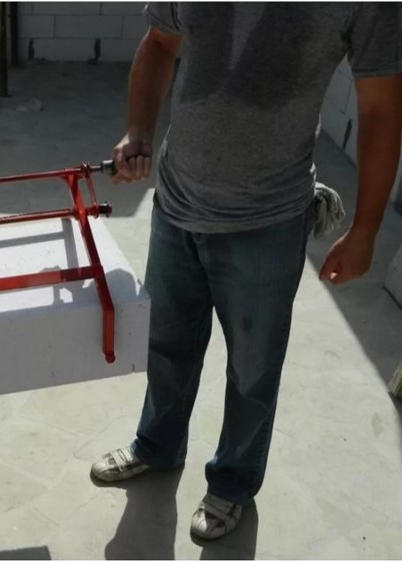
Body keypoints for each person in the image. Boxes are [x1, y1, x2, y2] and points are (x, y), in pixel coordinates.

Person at [91, 2, 402, 540]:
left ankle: (233, 483)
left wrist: (366, 228)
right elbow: (160, 43)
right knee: (166, 343)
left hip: (268, 221)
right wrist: (137, 130)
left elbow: (380, 107)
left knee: (253, 368)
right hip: (177, 202)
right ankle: (157, 445)